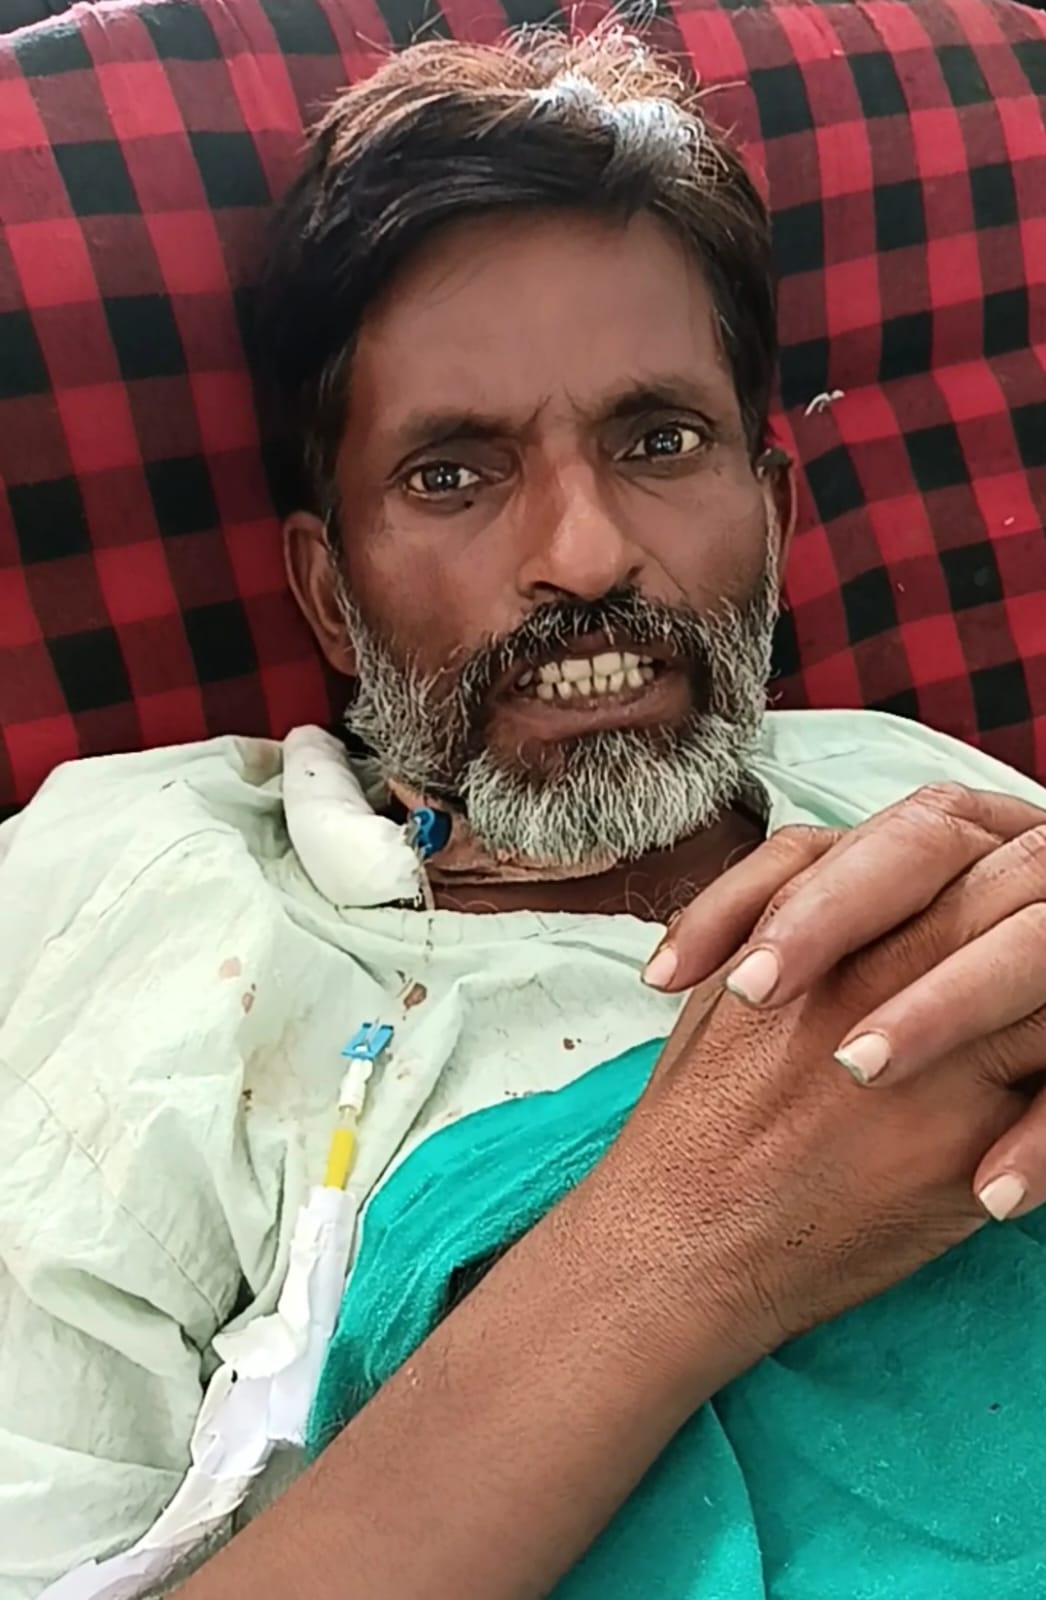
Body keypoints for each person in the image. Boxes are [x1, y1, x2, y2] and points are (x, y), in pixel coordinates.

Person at [2, 26, 1046, 1600]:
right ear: (330, 594)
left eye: (657, 441)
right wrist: (689, 1237)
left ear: (771, 519)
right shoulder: (152, 900)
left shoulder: (909, 777)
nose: (584, 551)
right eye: (452, 475)